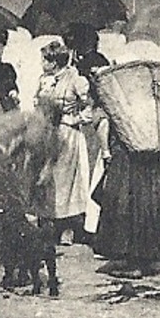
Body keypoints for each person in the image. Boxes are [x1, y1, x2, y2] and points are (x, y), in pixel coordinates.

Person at [92, 55, 160, 278]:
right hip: (154, 163)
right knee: (151, 207)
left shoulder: (119, 100)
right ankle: (148, 257)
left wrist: (109, 151)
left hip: (125, 162)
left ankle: (130, 261)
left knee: (123, 208)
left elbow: (104, 125)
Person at [36, 40, 94, 243]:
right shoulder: (44, 79)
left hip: (68, 135)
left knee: (65, 181)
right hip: (48, 133)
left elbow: (90, 107)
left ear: (54, 62)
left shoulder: (75, 79)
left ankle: (67, 227)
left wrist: (74, 119)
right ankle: (48, 223)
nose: (42, 63)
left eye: (44, 59)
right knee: (47, 178)